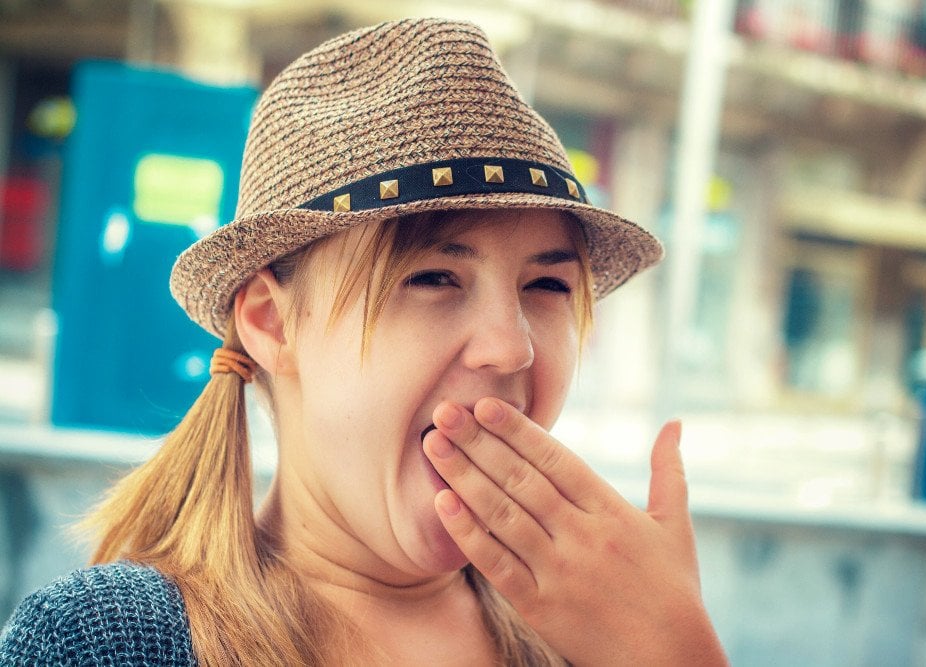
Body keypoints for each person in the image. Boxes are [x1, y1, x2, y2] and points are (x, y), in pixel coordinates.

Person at [0, 17, 728, 666]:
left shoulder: (598, 638)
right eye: (435, 276)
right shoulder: (107, 643)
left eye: (548, 286)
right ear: (270, 321)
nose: (511, 348)